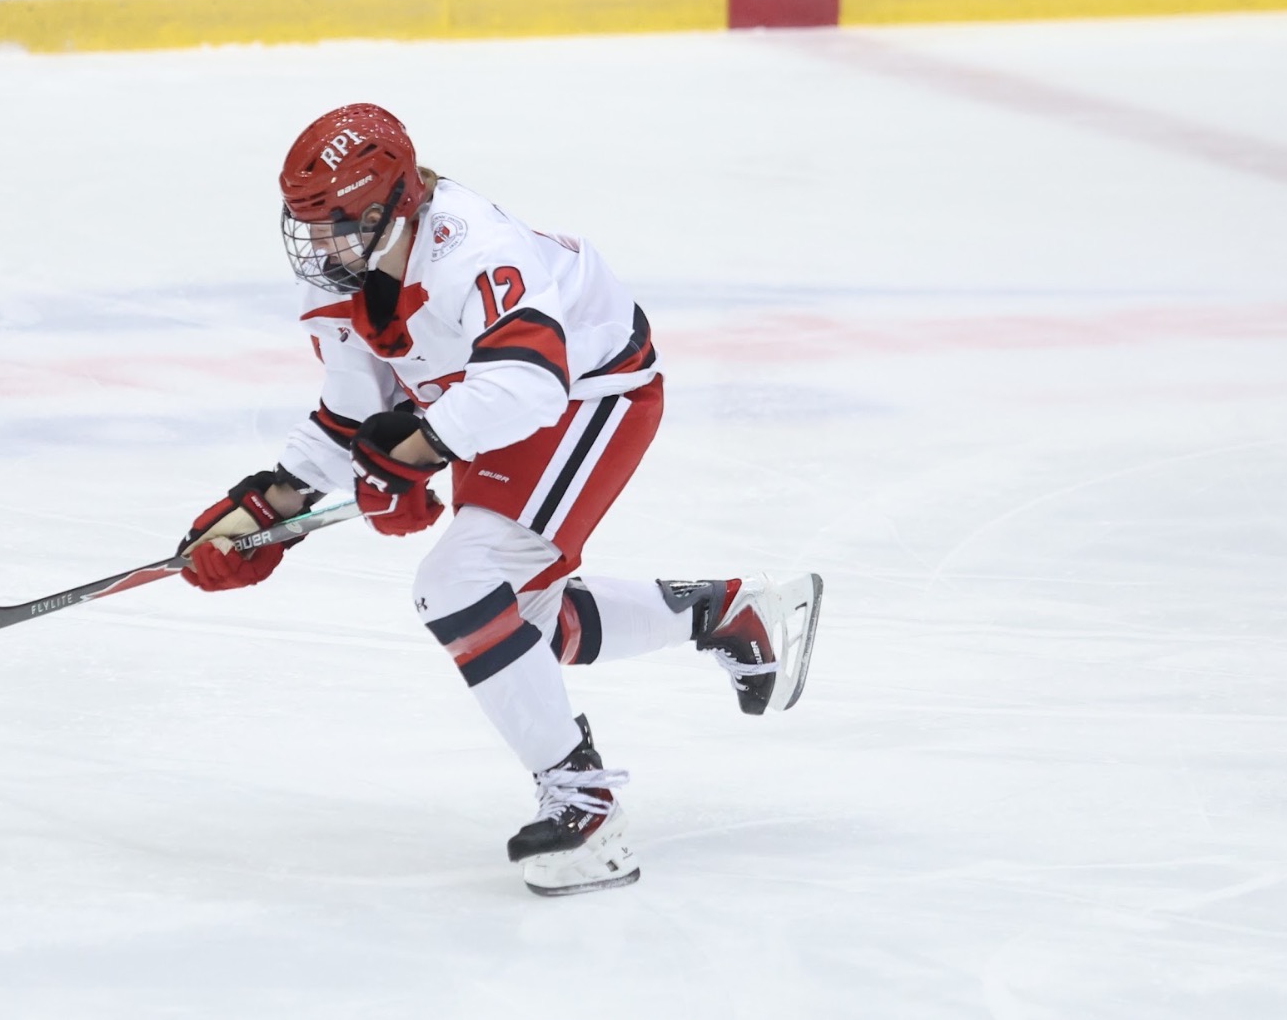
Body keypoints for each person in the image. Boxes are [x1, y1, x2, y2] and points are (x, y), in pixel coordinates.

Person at [176, 103, 824, 896]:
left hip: (594, 389)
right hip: (493, 404)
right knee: (521, 624)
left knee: (456, 585)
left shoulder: (468, 247)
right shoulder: (347, 280)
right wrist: (263, 510)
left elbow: (530, 379)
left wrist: (411, 452)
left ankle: (589, 812)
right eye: (308, 227)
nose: (320, 248)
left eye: (337, 224)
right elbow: (349, 420)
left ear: (392, 203)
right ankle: (728, 613)